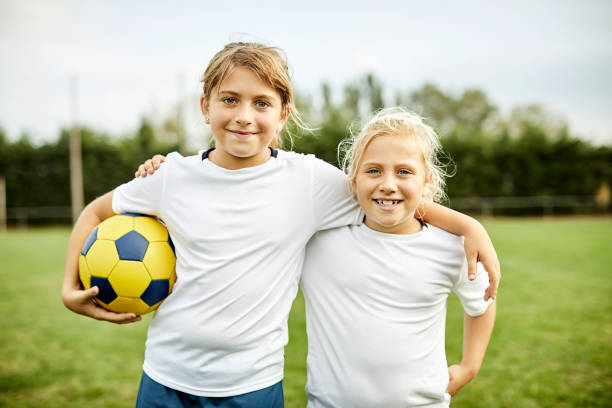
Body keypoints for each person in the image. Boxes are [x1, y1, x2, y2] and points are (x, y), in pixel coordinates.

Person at [62, 42, 499, 407]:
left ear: (284, 112)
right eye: (229, 100)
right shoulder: (170, 177)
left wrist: (467, 226)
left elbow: (383, 195)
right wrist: (69, 287)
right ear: (205, 107)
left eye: (262, 103)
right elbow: (95, 213)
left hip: (253, 385)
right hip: (165, 377)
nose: (244, 116)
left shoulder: (309, 182)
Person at [300, 107, 496, 407]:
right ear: (352, 181)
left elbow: (482, 301)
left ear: (427, 181)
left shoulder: (452, 247)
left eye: (404, 171)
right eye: (373, 170)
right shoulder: (318, 240)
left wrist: (470, 364)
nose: (388, 183)